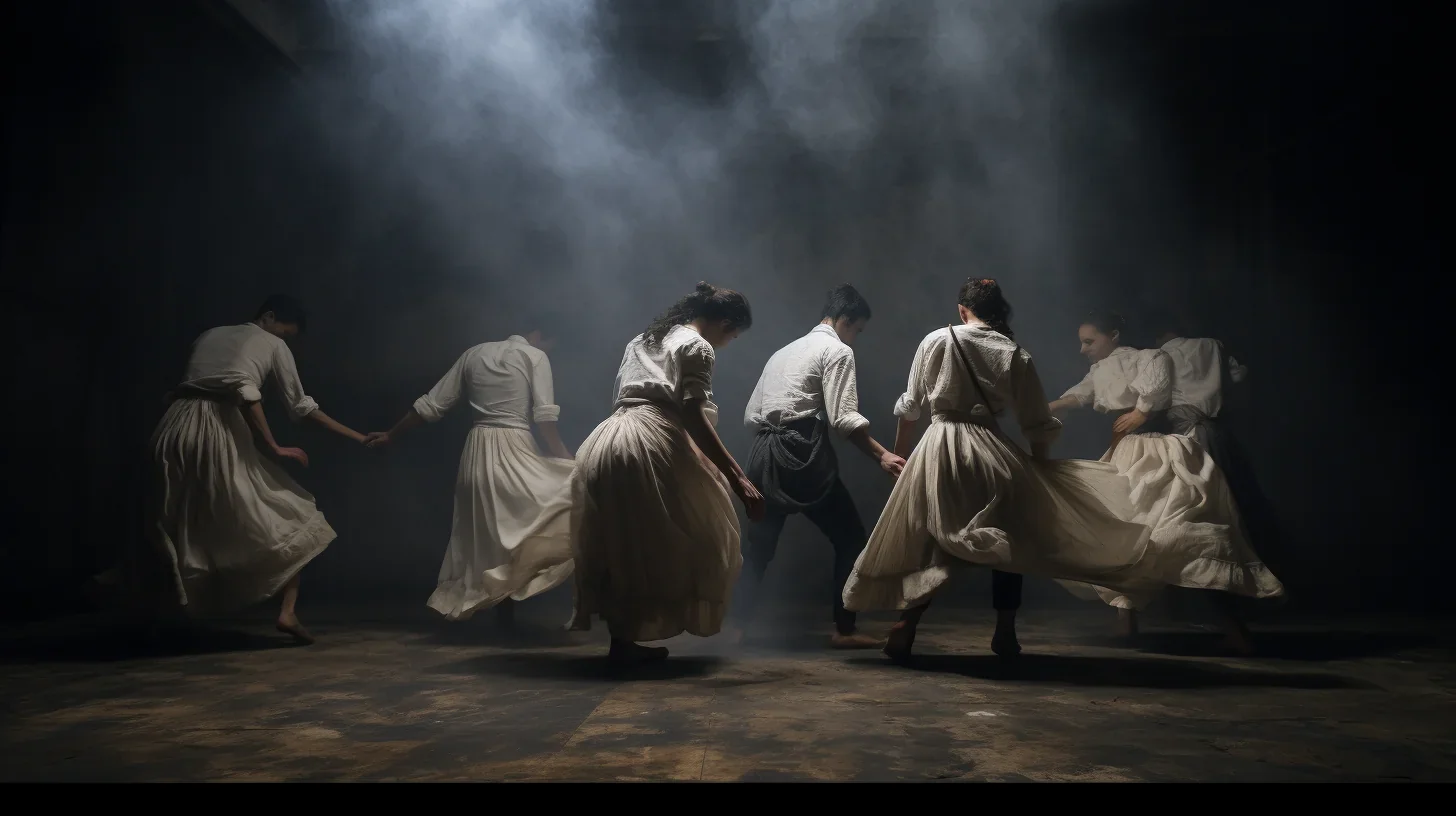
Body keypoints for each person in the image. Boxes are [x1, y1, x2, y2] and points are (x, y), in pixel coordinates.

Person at [842, 278, 1279, 662]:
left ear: (962, 310)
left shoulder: (937, 339)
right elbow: (1036, 422)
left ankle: (908, 623)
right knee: (1009, 537)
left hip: (938, 446)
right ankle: (1006, 633)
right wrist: (1039, 468)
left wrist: (900, 458)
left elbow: (911, 407)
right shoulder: (1014, 353)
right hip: (990, 448)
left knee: (931, 534)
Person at [117, 295, 368, 644]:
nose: (285, 342)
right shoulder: (272, 344)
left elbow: (192, 382)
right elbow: (277, 400)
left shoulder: (209, 334)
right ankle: (287, 612)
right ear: (268, 318)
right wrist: (281, 445)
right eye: (285, 333)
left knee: (171, 519)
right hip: (214, 432)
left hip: (170, 431)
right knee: (295, 516)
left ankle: (154, 616)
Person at [1047, 312, 1282, 649]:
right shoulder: (1101, 370)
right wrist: (1049, 406)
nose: (1084, 349)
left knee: (1184, 528)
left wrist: (1141, 411)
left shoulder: (1151, 356)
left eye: (1089, 341)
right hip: (1126, 451)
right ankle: (1127, 622)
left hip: (1159, 449)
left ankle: (1233, 626)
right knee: (1124, 528)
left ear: (1112, 335)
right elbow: (1081, 394)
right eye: (1082, 342)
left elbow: (1155, 392)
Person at [569, 282, 765, 667]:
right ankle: (627, 643)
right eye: (733, 335)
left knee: (624, 543)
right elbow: (692, 413)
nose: (729, 343)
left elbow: (623, 395)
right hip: (646, 441)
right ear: (724, 323)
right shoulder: (697, 346)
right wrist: (738, 477)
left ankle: (622, 643)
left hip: (607, 438)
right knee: (694, 534)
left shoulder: (642, 340)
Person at [364, 317, 576, 626]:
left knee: (489, 537)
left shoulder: (473, 353)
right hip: (513, 448)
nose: (548, 351)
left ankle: (505, 620)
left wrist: (392, 434)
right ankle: (567, 609)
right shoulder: (535, 356)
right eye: (549, 346)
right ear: (539, 335)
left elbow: (431, 406)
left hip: (476, 453)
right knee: (566, 500)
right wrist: (569, 461)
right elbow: (545, 419)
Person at [730, 284, 905, 649]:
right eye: (857, 329)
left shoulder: (781, 353)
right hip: (802, 455)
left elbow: (750, 417)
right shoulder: (837, 350)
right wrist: (881, 454)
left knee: (760, 548)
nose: (855, 338)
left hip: (763, 455)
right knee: (851, 538)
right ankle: (844, 630)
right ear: (845, 320)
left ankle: (735, 629)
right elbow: (843, 419)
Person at [1151, 313, 1282, 571]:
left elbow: (1152, 395)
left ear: (1158, 337)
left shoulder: (1159, 356)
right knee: (1232, 497)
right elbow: (1238, 374)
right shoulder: (1212, 345)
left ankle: (1203, 572)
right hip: (1217, 432)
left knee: (1189, 506)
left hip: (1185, 437)